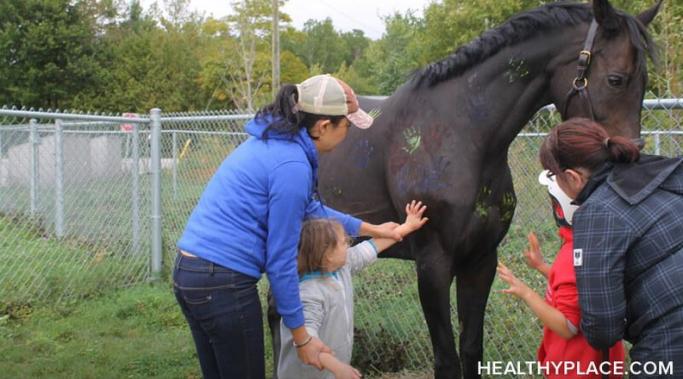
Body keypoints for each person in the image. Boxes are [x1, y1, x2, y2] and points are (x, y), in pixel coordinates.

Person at [173, 74, 403, 379]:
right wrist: (302, 337)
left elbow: (311, 208)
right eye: (346, 125)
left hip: (191, 273)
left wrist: (372, 229)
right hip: (222, 284)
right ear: (323, 127)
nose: (348, 133)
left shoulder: (275, 143)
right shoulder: (291, 165)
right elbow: (281, 259)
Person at [538, 117, 683, 377]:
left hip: (670, 345)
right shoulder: (660, 171)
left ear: (572, 177)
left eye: (554, 176)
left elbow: (602, 328)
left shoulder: (597, 213)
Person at [278, 200, 428, 379]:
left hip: (332, 372)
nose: (348, 244)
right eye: (344, 242)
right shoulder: (308, 295)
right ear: (326, 253)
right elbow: (305, 340)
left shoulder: (341, 266)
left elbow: (373, 246)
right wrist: (338, 368)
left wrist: (408, 226)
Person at [497, 170, 624, 378]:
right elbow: (581, 286)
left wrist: (525, 292)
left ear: (561, 207)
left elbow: (568, 326)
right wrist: (541, 266)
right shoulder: (596, 241)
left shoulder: (571, 254)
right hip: (599, 364)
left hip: (574, 366)